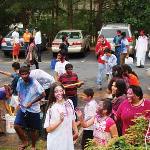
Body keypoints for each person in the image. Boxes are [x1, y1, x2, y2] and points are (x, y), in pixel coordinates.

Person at [14, 66, 45, 150]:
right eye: (22, 74)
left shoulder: (34, 83)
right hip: (23, 108)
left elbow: (43, 94)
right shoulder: (20, 80)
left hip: (33, 110)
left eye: (25, 74)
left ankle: (33, 146)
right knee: (16, 125)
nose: (24, 76)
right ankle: (25, 142)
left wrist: (32, 102)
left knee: (33, 129)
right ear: (20, 74)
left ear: (29, 73)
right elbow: (18, 90)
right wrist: (19, 99)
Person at [44, 82, 78, 150]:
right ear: (53, 94)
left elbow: (72, 119)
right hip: (56, 142)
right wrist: (60, 121)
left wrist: (76, 131)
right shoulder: (51, 108)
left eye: (61, 90)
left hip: (68, 140)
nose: (59, 93)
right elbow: (48, 129)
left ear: (64, 91)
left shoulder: (69, 102)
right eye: (56, 91)